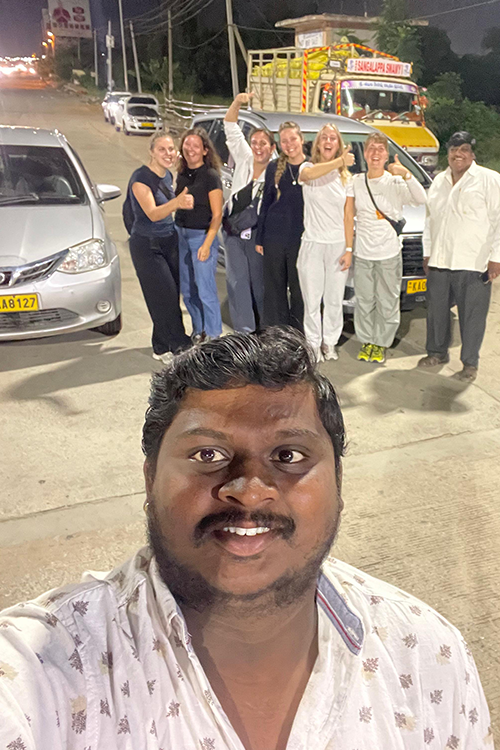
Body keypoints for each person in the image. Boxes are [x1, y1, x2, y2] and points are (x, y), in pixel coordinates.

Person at [0, 329, 493, 749]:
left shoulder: (426, 656)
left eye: (289, 456)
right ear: (150, 481)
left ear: (339, 484)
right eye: (207, 455)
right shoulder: (41, 672)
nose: (250, 491)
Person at [418, 131, 500, 381]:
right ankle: (436, 352)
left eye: (464, 149)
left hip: (473, 262)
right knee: (437, 311)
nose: (458, 154)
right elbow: (430, 220)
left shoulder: (489, 180)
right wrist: (427, 252)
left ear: (472, 154)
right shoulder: (439, 181)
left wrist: (496, 257)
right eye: (454, 149)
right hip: (440, 259)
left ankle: (470, 364)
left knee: (472, 316)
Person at [351, 132, 427, 364]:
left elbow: (421, 199)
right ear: (365, 153)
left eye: (380, 149)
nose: (375, 153)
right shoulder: (356, 181)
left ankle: (381, 343)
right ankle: (367, 341)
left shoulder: (395, 182)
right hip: (363, 253)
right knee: (364, 300)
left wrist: (406, 174)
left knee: (387, 301)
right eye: (371, 148)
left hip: (389, 253)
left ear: (386, 155)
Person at [127, 132, 193, 364]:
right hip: (147, 245)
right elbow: (153, 214)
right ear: (151, 152)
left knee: (169, 296)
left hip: (168, 241)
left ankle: (160, 345)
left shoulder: (167, 176)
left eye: (171, 149)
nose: (168, 154)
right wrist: (177, 203)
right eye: (162, 149)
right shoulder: (140, 179)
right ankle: (179, 344)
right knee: (164, 297)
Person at [297, 123, 355, 362]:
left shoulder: (347, 178)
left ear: (338, 144)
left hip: (337, 246)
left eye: (333, 138)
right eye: (324, 138)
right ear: (318, 144)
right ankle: (312, 344)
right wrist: (340, 161)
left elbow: (348, 215)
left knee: (333, 299)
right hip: (312, 244)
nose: (328, 141)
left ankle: (329, 342)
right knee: (312, 300)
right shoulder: (307, 167)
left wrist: (349, 249)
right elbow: (308, 176)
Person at [223, 92, 275, 333]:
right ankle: (244, 333)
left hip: (257, 235)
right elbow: (230, 125)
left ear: (272, 148)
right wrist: (237, 102)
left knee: (259, 284)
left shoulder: (277, 172)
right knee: (237, 282)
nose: (258, 148)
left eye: (263, 144)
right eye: (255, 142)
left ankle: (263, 331)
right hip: (233, 231)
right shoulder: (244, 157)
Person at [256, 121, 306, 331]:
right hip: (274, 237)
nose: (289, 144)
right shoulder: (274, 168)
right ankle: (276, 334)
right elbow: (266, 203)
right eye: (284, 141)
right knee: (274, 290)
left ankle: (297, 333)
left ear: (301, 140)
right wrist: (260, 237)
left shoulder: (311, 168)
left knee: (299, 289)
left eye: (293, 139)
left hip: (301, 239)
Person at [175, 127, 223, 343]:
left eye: (195, 146)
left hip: (201, 237)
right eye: (187, 145)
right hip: (181, 235)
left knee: (205, 290)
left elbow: (217, 214)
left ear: (205, 150)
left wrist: (206, 244)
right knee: (187, 290)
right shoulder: (182, 174)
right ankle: (198, 329)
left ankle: (213, 336)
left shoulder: (211, 176)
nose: (190, 149)